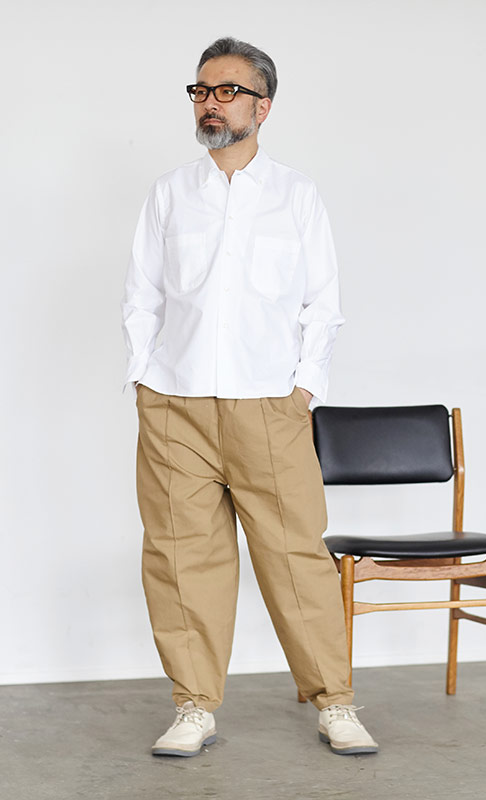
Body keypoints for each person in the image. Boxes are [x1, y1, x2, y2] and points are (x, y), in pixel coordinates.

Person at [120, 36, 378, 757]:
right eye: (201, 91)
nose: (211, 103)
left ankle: (335, 701)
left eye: (228, 91)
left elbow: (322, 304)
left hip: (269, 405)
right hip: (175, 407)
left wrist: (303, 389)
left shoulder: (297, 195)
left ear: (263, 107)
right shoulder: (170, 193)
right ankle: (193, 706)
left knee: (295, 556)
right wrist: (143, 378)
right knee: (180, 559)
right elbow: (142, 295)